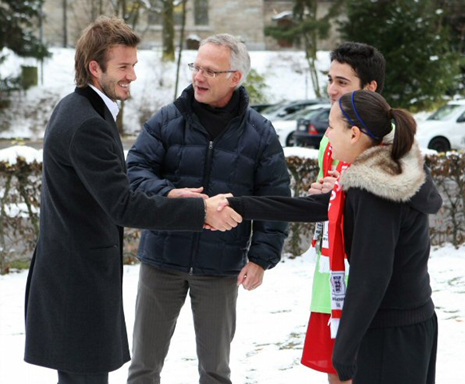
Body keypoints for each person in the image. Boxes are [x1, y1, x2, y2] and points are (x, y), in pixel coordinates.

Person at [24, 17, 241, 384]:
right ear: (95, 68)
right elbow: (121, 205)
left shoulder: (77, 108)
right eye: (124, 67)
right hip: (76, 287)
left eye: (134, 65)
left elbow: (109, 187)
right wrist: (198, 210)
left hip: (72, 278)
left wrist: (167, 193)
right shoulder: (88, 123)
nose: (133, 76)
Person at [224, 90, 442, 384]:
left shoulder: (376, 189)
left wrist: (345, 350)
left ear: (354, 134)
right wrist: (237, 205)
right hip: (409, 324)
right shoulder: (382, 169)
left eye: (330, 126)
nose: (326, 135)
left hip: (389, 335)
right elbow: (316, 206)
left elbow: (372, 275)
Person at [125, 33, 290, 384]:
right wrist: (171, 195)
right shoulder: (167, 119)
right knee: (143, 367)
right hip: (162, 259)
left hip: (220, 267)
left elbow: (275, 198)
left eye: (210, 71)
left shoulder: (260, 133)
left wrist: (261, 257)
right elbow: (135, 170)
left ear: (235, 78)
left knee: (216, 371)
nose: (199, 77)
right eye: (196, 67)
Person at [305, 42, 386, 384]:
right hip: (330, 268)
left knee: (363, 366)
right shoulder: (330, 135)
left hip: (364, 275)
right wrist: (322, 192)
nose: (333, 89)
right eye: (330, 79)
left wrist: (346, 190)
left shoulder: (385, 138)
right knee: (335, 368)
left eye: (343, 82)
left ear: (370, 89)